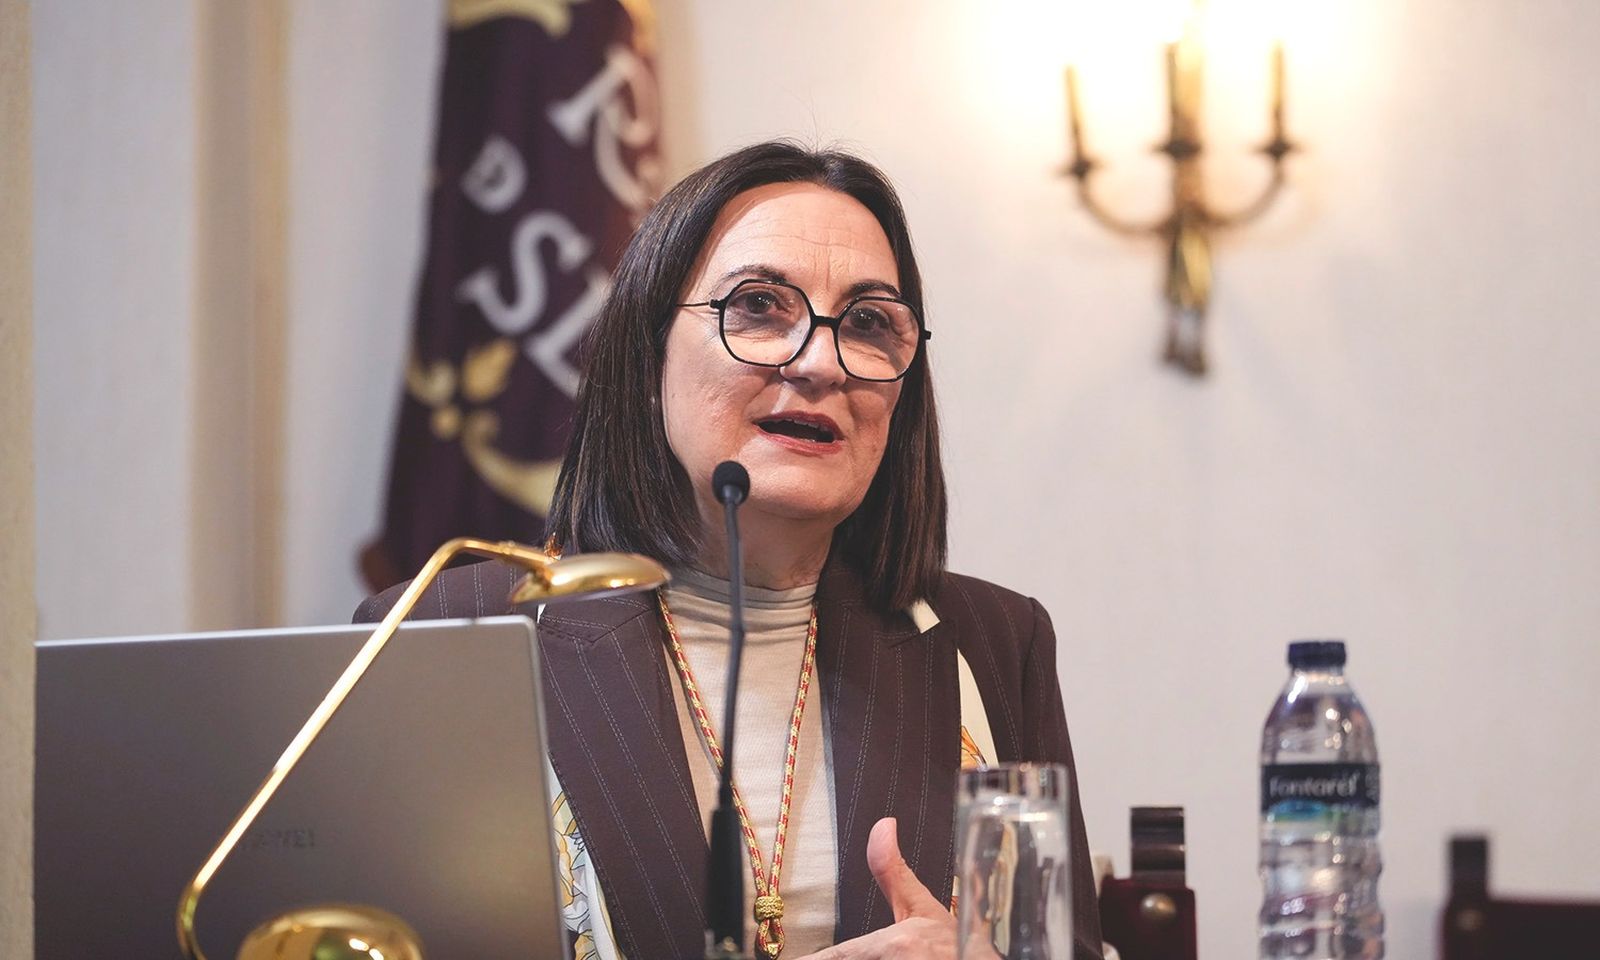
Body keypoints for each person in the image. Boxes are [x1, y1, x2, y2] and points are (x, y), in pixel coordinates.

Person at [357, 140, 1104, 960]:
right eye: (757, 306)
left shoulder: (995, 640)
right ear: (647, 357)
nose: (820, 362)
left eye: (867, 323)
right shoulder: (441, 638)